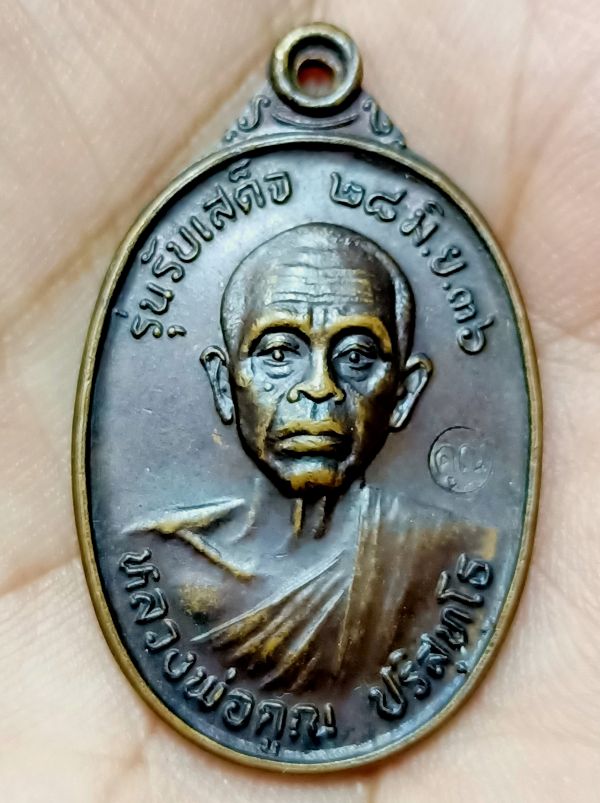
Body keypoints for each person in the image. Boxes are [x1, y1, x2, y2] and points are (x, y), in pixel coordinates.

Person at [131, 224, 495, 691]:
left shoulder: (449, 556)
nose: (320, 387)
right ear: (224, 384)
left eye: (357, 355)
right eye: (279, 352)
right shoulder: (161, 558)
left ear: (403, 395)